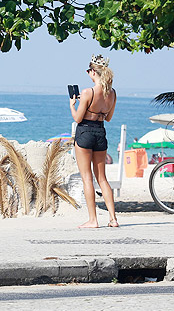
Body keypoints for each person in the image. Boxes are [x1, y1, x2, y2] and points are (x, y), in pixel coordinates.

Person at [70, 54, 118, 228]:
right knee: (102, 178)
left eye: (89, 70)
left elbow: (77, 118)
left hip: (85, 132)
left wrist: (72, 105)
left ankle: (93, 220)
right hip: (100, 132)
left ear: (93, 72)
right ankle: (113, 219)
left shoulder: (87, 92)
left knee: (87, 178)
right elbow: (109, 118)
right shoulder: (112, 93)